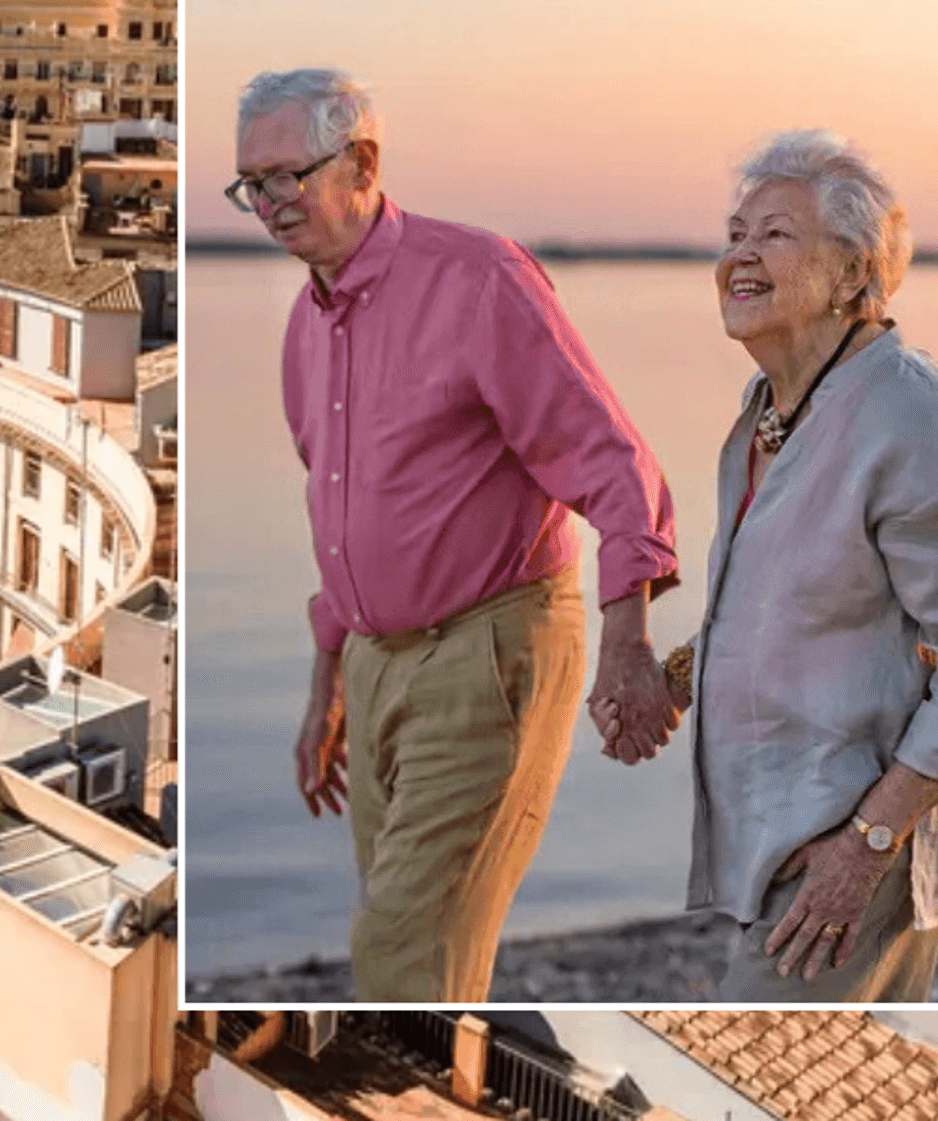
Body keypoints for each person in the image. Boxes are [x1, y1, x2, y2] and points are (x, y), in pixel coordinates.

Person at [234, 68, 681, 1000]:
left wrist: (628, 641)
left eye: (287, 176)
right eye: (252, 185)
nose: (270, 203)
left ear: (361, 163)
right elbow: (337, 508)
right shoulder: (303, 326)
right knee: (411, 944)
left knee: (405, 952)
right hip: (372, 660)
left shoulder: (479, 280)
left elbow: (612, 462)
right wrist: (327, 685)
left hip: (488, 650)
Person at [666, 129, 938, 999]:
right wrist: (677, 671)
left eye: (774, 235)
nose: (738, 256)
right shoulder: (771, 409)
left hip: (849, 860)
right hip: (778, 852)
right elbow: (809, 610)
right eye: (735, 234)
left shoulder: (903, 416)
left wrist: (866, 847)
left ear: (856, 274)